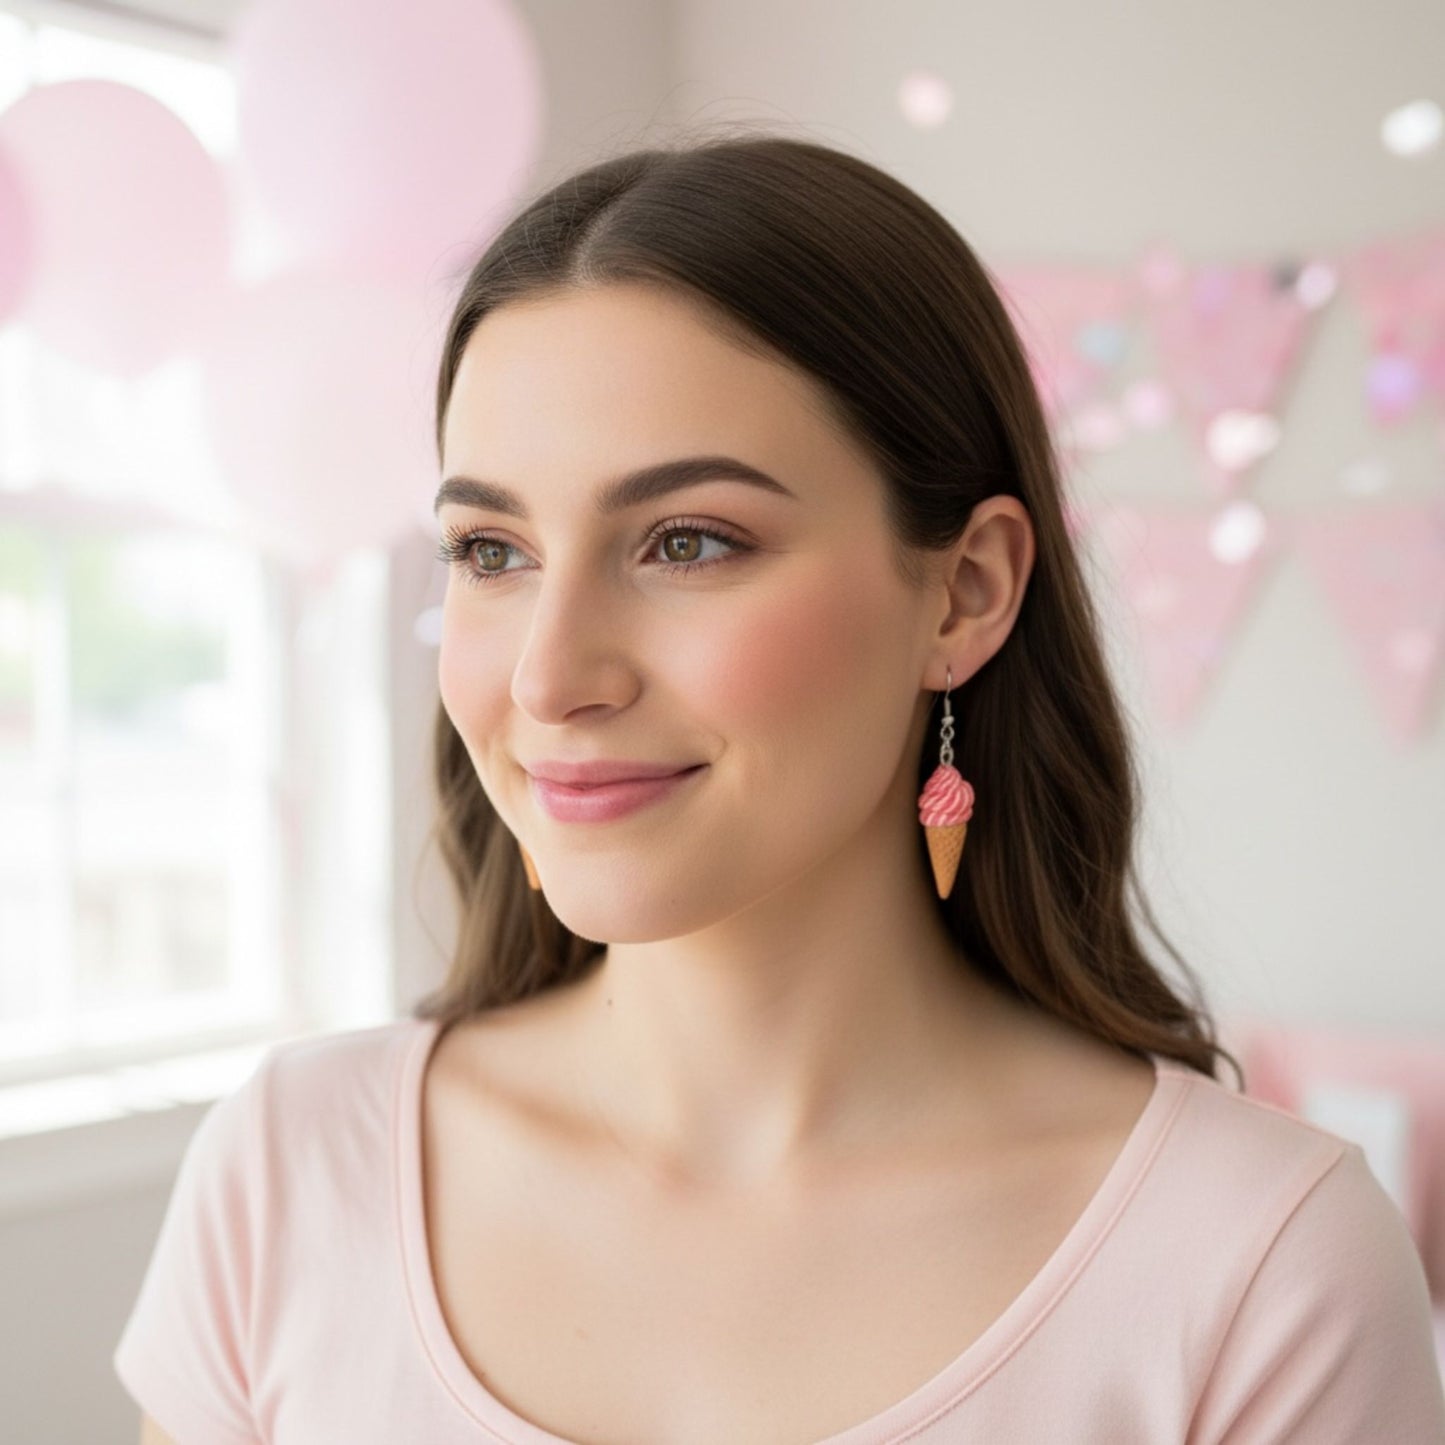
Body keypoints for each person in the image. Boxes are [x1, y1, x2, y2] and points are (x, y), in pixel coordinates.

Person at [115, 127, 1445, 1444]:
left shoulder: (1259, 1268)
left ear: (964, 590)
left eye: (686, 540)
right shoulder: (289, 1174)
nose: (547, 676)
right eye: (491, 549)